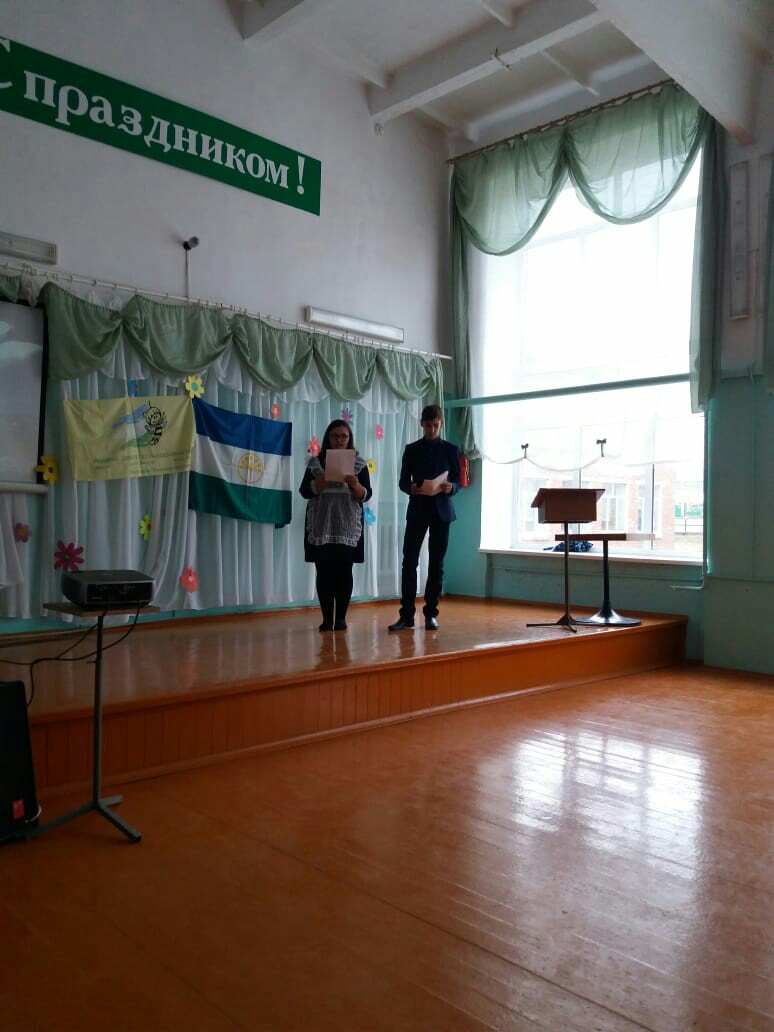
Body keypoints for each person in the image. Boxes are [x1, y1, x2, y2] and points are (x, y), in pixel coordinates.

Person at [388, 405, 460, 631]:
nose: (431, 429)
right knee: (409, 561)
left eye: (435, 425)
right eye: (427, 425)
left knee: (436, 564)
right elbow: (402, 481)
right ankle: (407, 615)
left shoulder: (451, 449)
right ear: (421, 424)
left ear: (441, 424)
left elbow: (458, 482)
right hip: (418, 509)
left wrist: (451, 487)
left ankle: (431, 614)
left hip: (441, 512)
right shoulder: (411, 449)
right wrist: (411, 487)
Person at [299, 418, 372, 631]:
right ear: (328, 438)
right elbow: (304, 491)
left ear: (350, 439)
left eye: (343, 436)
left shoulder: (359, 464)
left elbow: (366, 495)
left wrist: (356, 485)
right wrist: (321, 481)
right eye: (335, 436)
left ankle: (340, 619)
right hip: (321, 525)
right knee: (323, 573)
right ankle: (326, 619)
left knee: (344, 572)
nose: (339, 440)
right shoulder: (315, 463)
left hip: (347, 526)